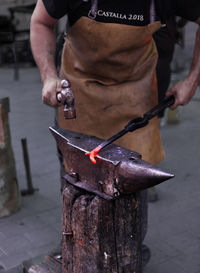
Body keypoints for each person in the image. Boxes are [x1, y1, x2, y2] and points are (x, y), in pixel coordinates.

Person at [30, 0, 200, 268]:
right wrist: (48, 76)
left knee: (130, 183)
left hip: (136, 91)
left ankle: (128, 250)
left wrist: (192, 80)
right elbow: (41, 22)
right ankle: (75, 245)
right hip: (79, 86)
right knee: (75, 175)